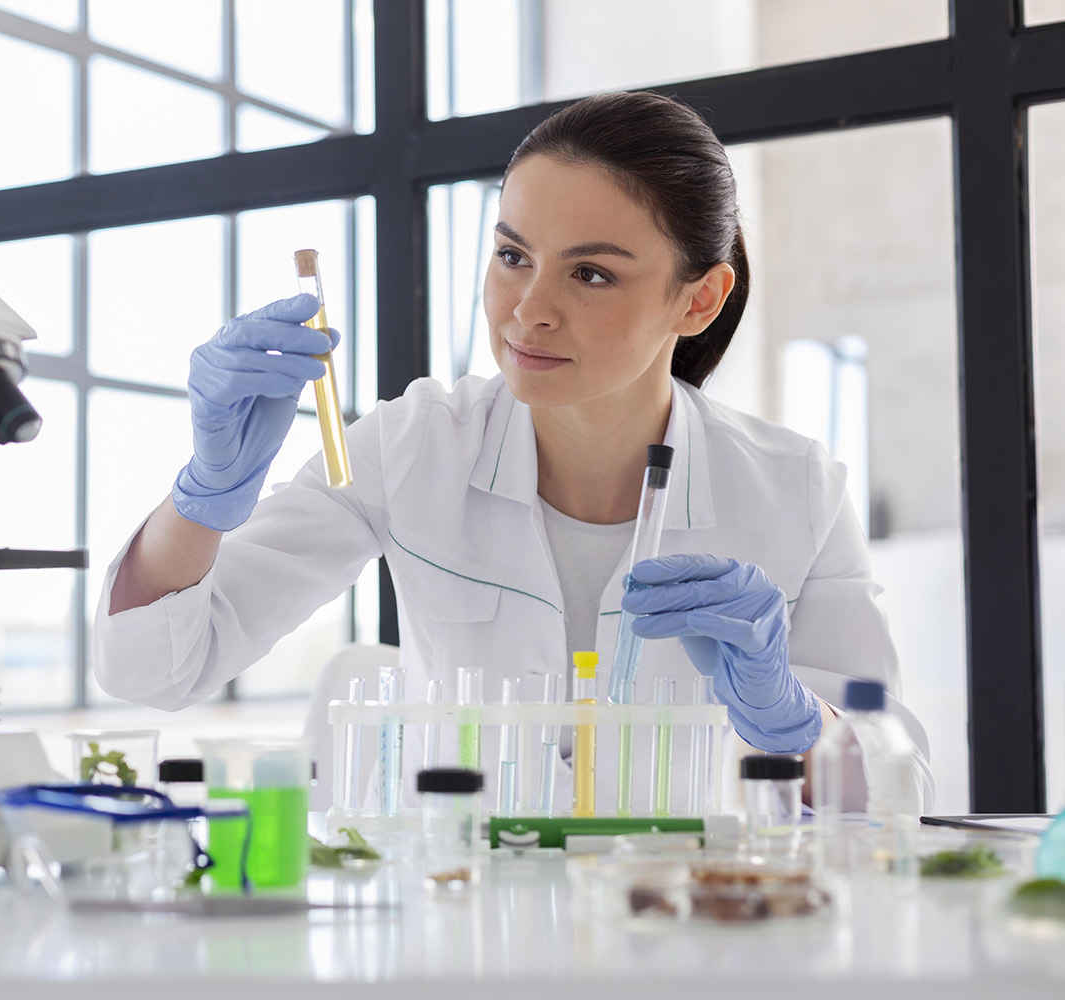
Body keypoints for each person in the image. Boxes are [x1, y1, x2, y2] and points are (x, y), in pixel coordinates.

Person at [92, 91, 934, 810]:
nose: (528, 310)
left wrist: (791, 715)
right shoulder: (410, 445)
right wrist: (203, 497)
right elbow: (152, 673)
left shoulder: (796, 491)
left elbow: (903, 794)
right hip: (460, 926)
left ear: (701, 299)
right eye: (512, 256)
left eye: (591, 273)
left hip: (684, 926)